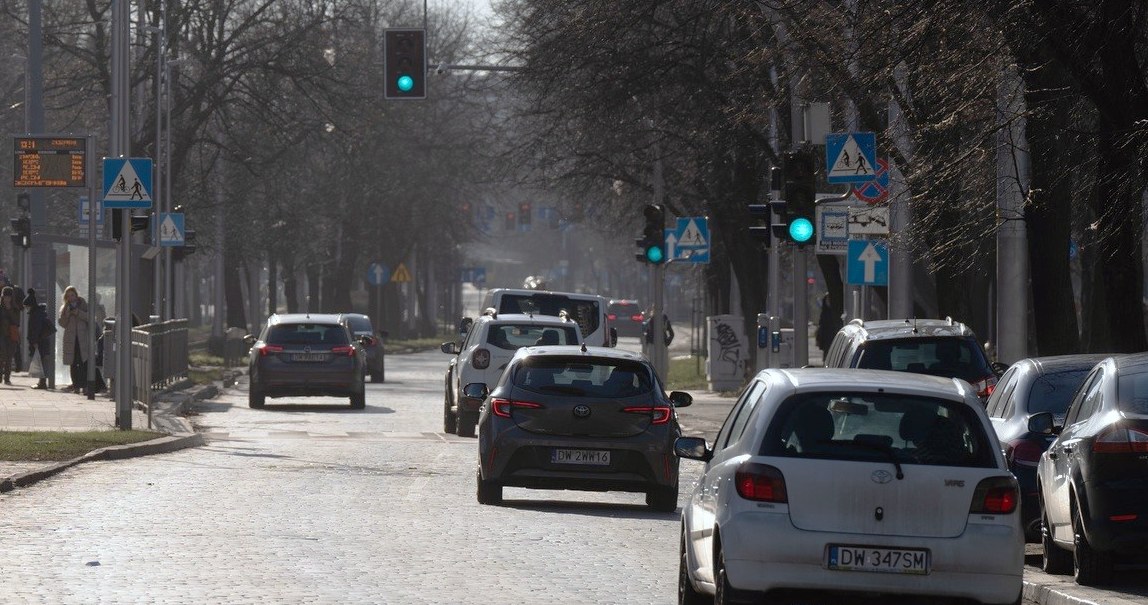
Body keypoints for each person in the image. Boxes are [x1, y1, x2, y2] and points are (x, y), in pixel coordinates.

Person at [58, 285, 92, 393]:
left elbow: (89, 318)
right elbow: (62, 323)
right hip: (71, 339)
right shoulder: (64, 308)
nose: (71, 298)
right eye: (68, 296)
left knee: (83, 362)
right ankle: (76, 386)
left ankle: (85, 386)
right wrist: (67, 314)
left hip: (82, 339)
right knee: (73, 363)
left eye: (72, 295)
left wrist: (77, 312)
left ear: (76, 295)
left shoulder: (83, 304)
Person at [23, 289, 55, 390]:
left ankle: (42, 382)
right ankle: (42, 381)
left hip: (40, 342)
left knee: (41, 362)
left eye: (27, 307)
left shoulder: (35, 315)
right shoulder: (39, 312)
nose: (26, 309)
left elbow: (35, 329)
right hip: (43, 341)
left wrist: (34, 341)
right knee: (41, 362)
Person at [0, 286, 21, 385]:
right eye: (5, 297)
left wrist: (9, 310)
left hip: (11, 335)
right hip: (1, 335)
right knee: (2, 355)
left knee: (9, 357)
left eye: (9, 297)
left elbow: (17, 322)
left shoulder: (15, 308)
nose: (7, 299)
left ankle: (7, 378)